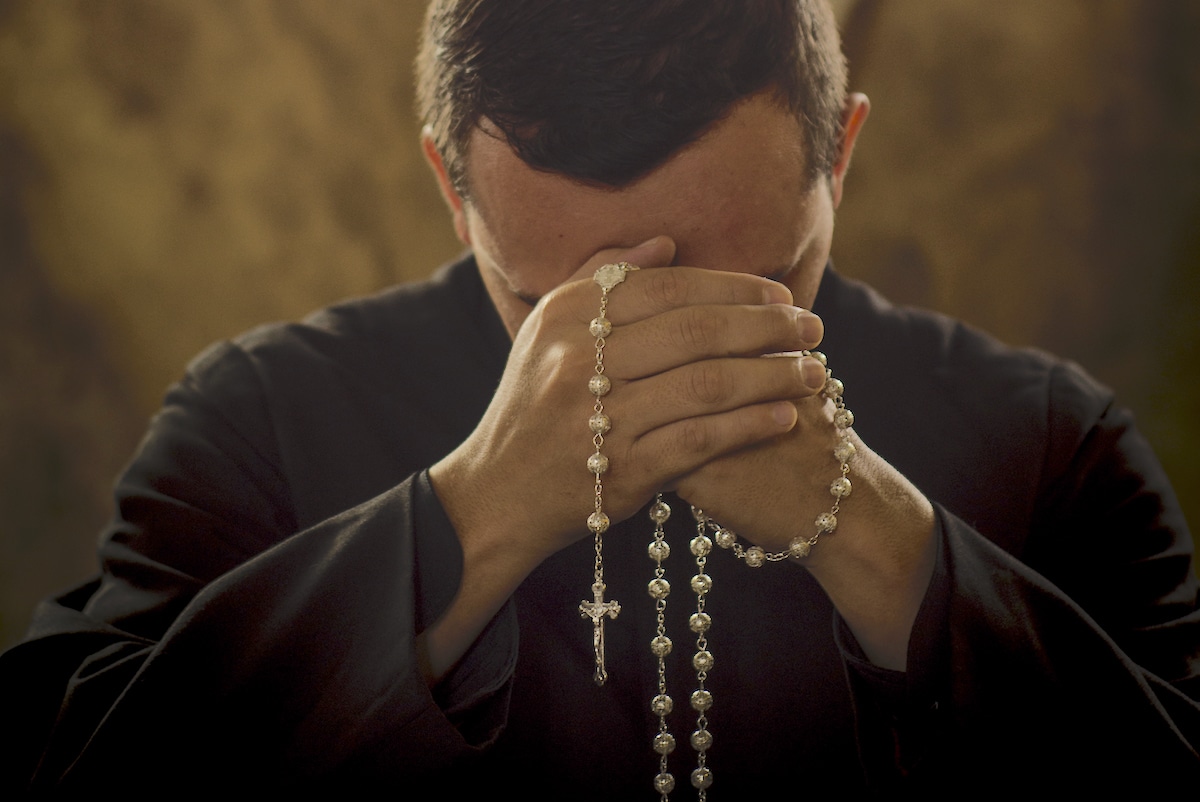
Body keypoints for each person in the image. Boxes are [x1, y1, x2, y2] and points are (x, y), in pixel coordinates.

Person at [3, 0, 1199, 796]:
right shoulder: (258, 420)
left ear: (841, 152)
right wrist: (469, 517)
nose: (653, 353)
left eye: (754, 284)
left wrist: (885, 542)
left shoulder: (1052, 443)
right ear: (449, 185)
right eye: (555, 300)